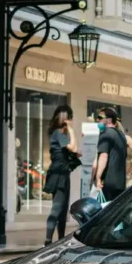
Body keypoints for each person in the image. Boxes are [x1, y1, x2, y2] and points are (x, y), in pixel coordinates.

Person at [43, 104, 79, 244]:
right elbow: (73, 147)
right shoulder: (59, 133)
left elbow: (69, 151)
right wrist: (71, 130)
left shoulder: (57, 134)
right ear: (67, 119)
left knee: (62, 211)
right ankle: (48, 241)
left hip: (62, 174)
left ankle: (60, 240)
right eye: (71, 118)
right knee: (57, 209)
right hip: (59, 175)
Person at [95, 106, 128, 202]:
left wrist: (98, 176)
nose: (97, 120)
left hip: (108, 182)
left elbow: (103, 156)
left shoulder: (105, 133)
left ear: (109, 120)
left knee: (104, 212)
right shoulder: (122, 135)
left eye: (100, 118)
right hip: (120, 183)